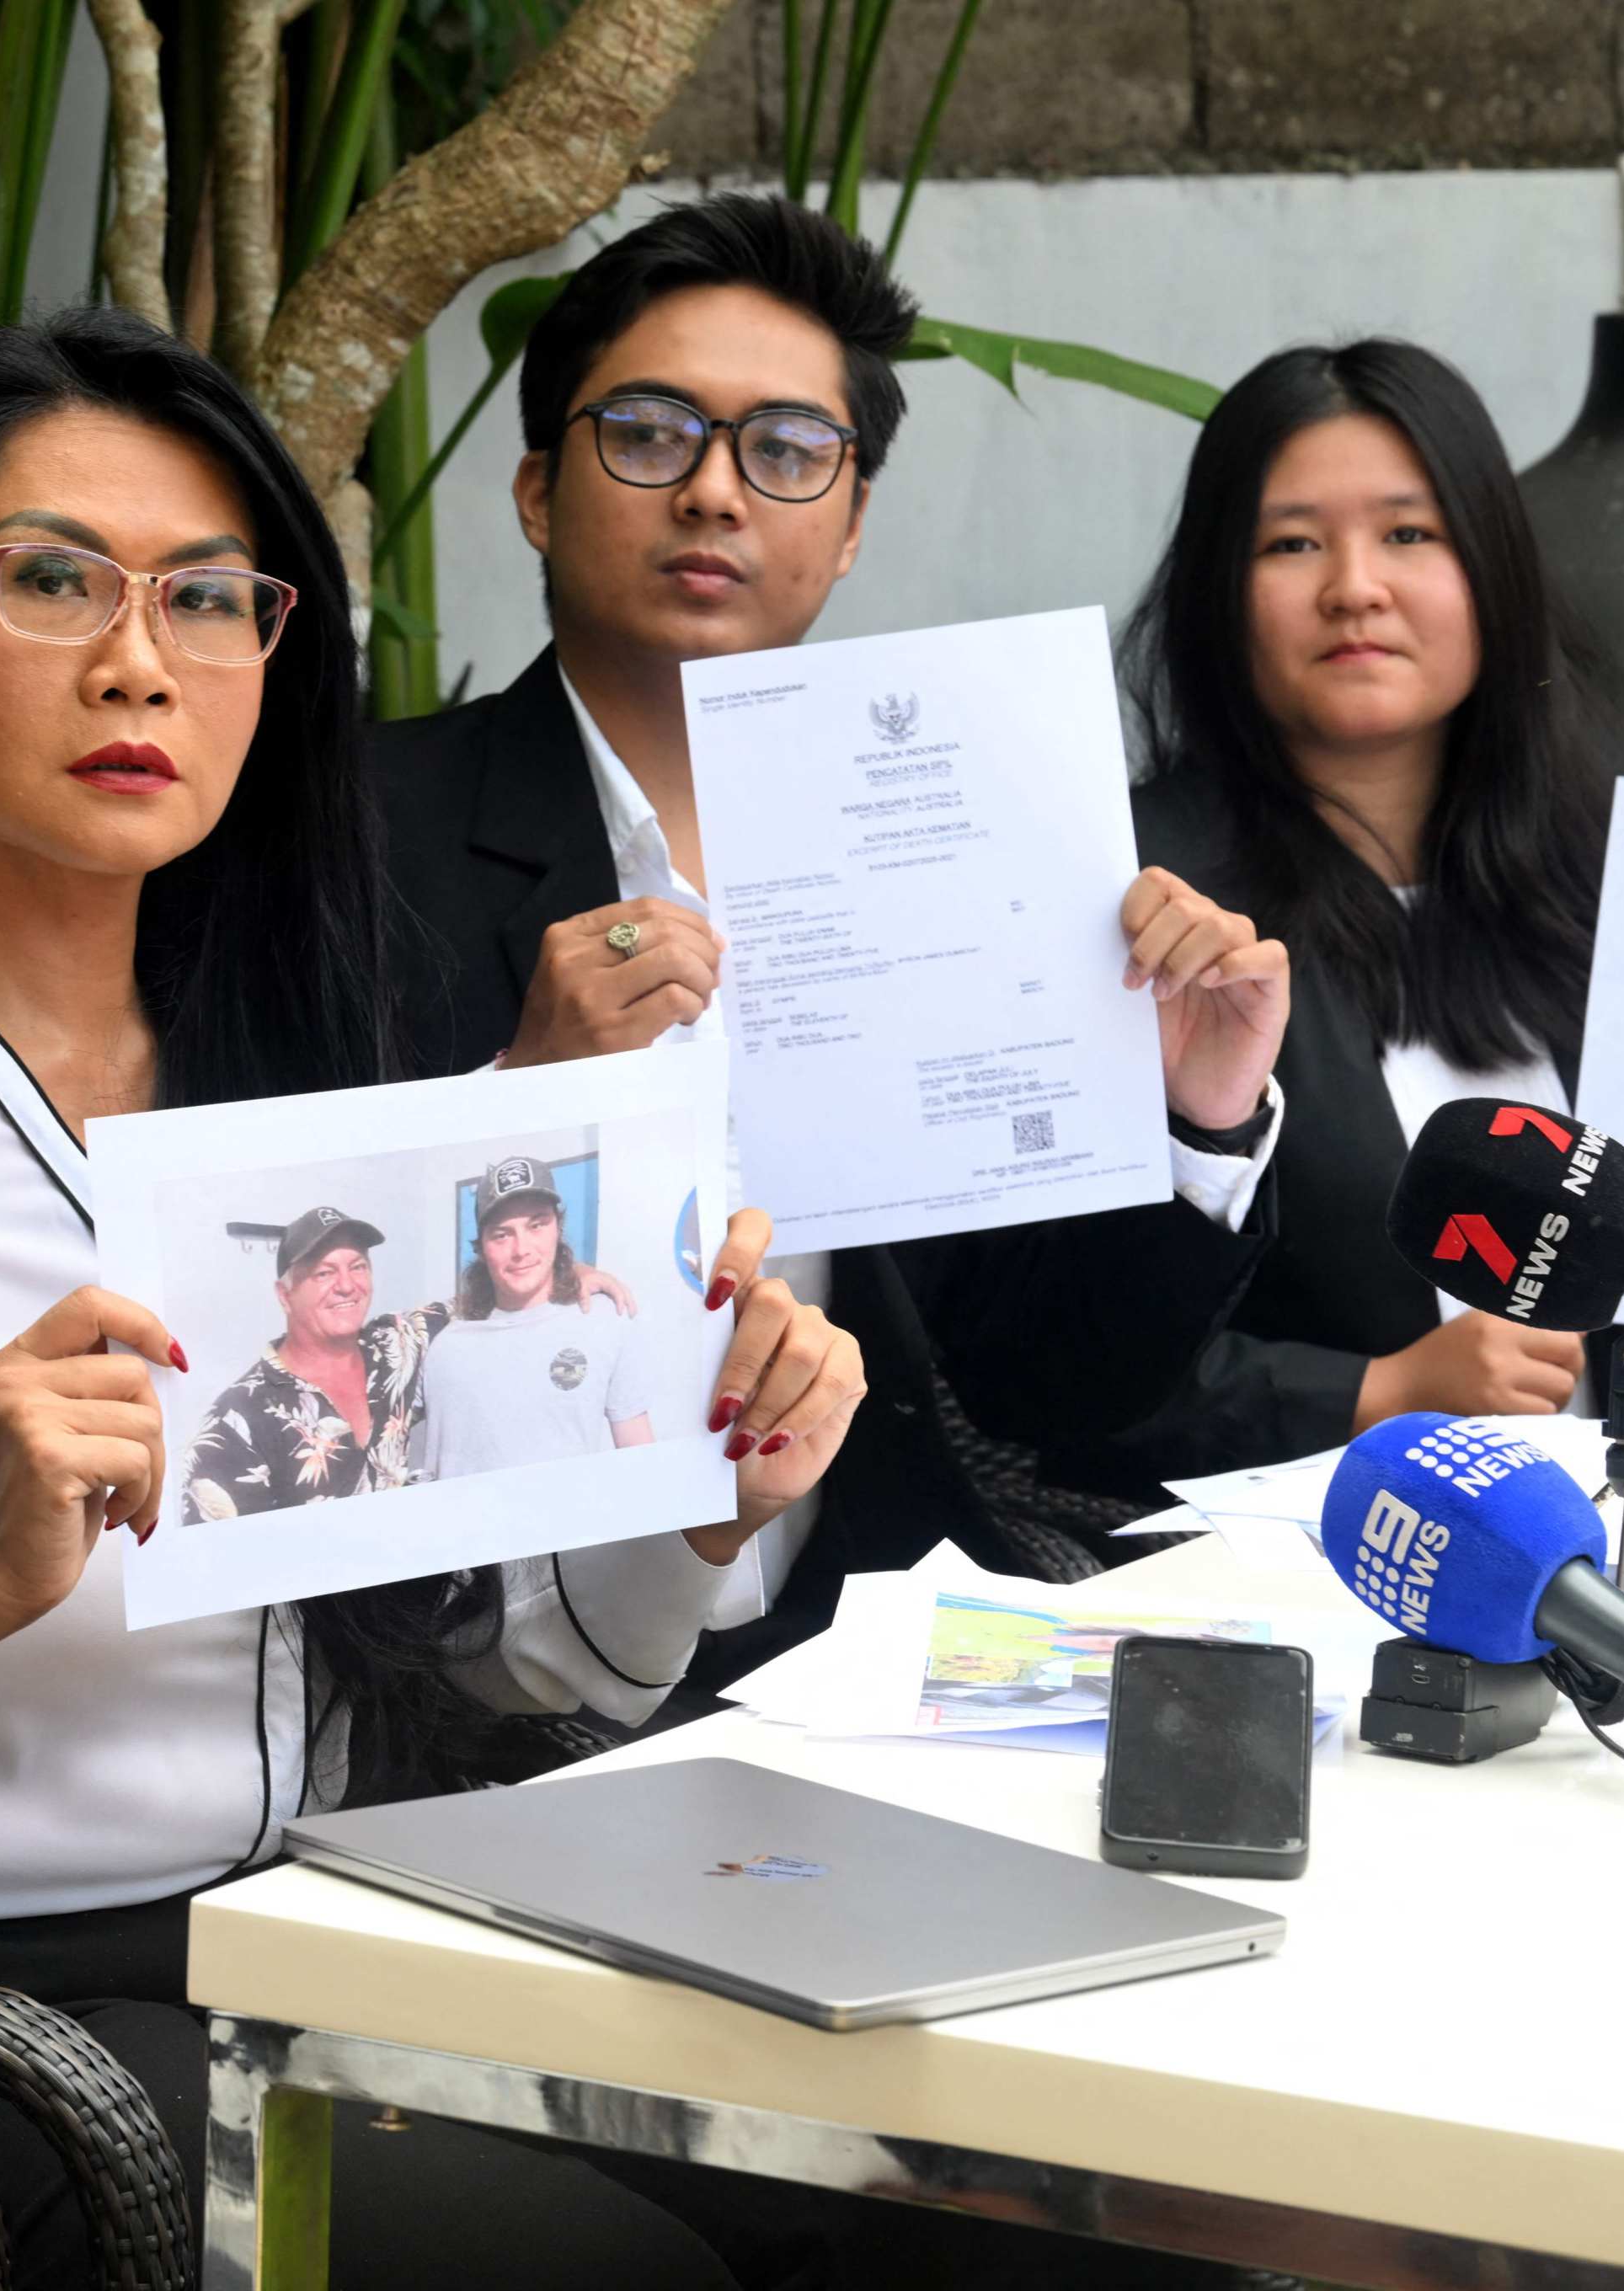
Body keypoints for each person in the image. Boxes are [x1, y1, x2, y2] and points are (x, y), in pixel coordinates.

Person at [0, 309, 863, 2291]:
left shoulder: (300, 1077)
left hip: (329, 1926)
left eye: (211, 600)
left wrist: (701, 1499)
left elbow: (516, 1668)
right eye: (52, 579)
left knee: (927, 2191)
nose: (139, 660)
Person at [373, 191, 1296, 1652]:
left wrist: (1192, 1116)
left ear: (852, 521)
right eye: (652, 432)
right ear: (539, 489)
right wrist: (524, 1107)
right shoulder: (357, 837)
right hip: (460, 1676)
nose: (716, 493)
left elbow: (1041, 1384)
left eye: (788, 451)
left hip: (837, 1641)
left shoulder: (956, 848)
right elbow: (294, 1340)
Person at [996, 337, 1624, 1491]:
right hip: (1291, 1565)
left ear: (1491, 567)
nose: (1353, 586)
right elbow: (1038, 1374)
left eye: (1408, 533)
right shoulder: (1141, 911)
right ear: (1216, 593)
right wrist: (1377, 1395)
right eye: (1289, 542)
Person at [176, 1198, 642, 1523]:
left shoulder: (398, 1345)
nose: (346, 1285)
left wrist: (577, 1272)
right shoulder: (236, 1421)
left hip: (417, 1614)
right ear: (285, 1294)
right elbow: (220, 1577)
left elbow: (511, 1285)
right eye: (322, 1272)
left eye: (357, 1266)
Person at [410, 1156, 660, 1477]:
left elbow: (641, 1460)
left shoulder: (605, 1321)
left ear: (558, 1228)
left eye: (536, 1225)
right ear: (483, 1247)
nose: (521, 1249)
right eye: (502, 1234)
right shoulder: (437, 1340)